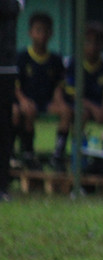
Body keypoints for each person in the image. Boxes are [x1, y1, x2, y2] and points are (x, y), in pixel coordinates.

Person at [57, 21, 103, 171]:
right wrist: (94, 108)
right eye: (88, 41)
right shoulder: (74, 64)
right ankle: (74, 158)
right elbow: (73, 93)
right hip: (81, 104)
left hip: (101, 105)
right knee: (81, 114)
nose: (93, 46)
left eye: (97, 42)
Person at [13, 11, 67, 169]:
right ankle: (28, 154)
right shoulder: (22, 57)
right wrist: (23, 100)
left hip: (47, 101)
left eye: (45, 31)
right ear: (30, 33)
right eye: (38, 30)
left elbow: (58, 86)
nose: (42, 35)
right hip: (26, 100)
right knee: (27, 109)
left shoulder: (56, 60)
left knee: (66, 111)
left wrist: (61, 103)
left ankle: (58, 155)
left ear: (51, 34)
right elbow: (15, 85)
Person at [0, 0, 29, 200]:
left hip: (4, 62)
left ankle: (2, 186)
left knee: (4, 126)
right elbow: (6, 2)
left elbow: (14, 7)